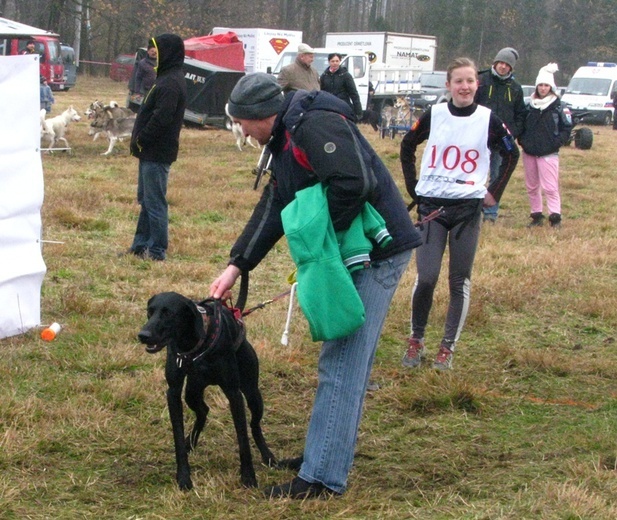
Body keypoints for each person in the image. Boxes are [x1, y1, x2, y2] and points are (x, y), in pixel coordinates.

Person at [210, 72, 422, 498]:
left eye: (241, 123)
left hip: (376, 251)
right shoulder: (284, 137)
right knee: (344, 361)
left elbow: (353, 183)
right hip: (356, 250)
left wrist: (321, 242)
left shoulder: (312, 125)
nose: (242, 132)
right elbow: (275, 202)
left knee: (341, 361)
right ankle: (326, 454)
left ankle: (322, 477)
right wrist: (237, 265)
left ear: (259, 116)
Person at [400, 57, 519, 371]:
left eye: (470, 81)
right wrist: (414, 186)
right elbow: (407, 143)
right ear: (449, 85)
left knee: (458, 281)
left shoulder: (488, 118)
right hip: (432, 208)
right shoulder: (435, 114)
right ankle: (416, 340)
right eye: (459, 81)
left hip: (467, 208)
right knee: (426, 278)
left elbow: (511, 152)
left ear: (477, 85)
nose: (465, 87)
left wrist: (494, 192)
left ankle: (447, 348)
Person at [125, 34, 187, 261]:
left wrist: (143, 137)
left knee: (155, 202)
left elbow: (162, 118)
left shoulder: (171, 82)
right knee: (146, 199)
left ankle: (157, 250)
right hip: (149, 151)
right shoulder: (166, 77)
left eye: (157, 49)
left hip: (156, 151)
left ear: (167, 53)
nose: (154, 53)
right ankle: (140, 246)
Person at [475, 47, 525, 223]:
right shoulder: (480, 81)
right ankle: (473, 211)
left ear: (511, 68)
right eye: (500, 63)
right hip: (477, 138)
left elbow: (520, 115)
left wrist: (512, 133)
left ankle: (490, 213)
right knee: (475, 175)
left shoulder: (516, 88)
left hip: (501, 141)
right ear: (495, 63)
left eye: (507, 65)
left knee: (497, 176)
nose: (503, 67)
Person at [518, 63, 572, 228]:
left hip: (549, 153)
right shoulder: (528, 106)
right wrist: (523, 141)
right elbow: (521, 125)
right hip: (529, 152)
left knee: (550, 187)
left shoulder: (559, 106)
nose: (543, 88)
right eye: (540, 85)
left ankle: (555, 217)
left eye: (546, 85)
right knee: (532, 186)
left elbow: (567, 128)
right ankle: (536, 215)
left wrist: (556, 143)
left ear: (551, 87)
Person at [320, 52, 363, 121]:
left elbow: (353, 93)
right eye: (333, 61)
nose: (335, 63)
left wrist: (358, 112)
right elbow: (321, 92)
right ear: (329, 62)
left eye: (337, 61)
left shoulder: (346, 75)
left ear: (340, 61)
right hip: (328, 107)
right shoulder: (324, 76)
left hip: (342, 107)